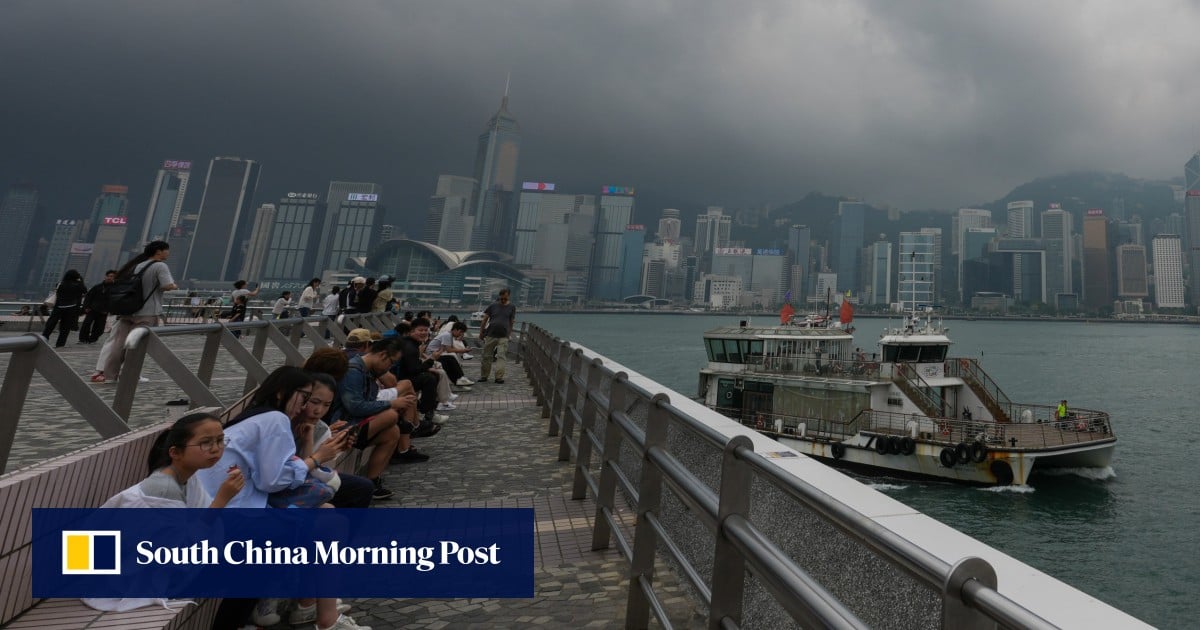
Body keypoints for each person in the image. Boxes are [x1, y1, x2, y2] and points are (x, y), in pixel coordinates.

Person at [81, 412, 245, 615]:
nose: (216, 449)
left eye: (220, 441)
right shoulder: (163, 489)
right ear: (175, 452)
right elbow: (180, 548)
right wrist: (222, 500)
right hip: (111, 577)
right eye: (205, 443)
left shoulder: (187, 477)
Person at [100, 241, 177, 383]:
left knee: (118, 344)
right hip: (147, 311)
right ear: (158, 252)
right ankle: (131, 374)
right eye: (166, 250)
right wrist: (174, 286)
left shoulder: (137, 265)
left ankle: (110, 376)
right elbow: (167, 285)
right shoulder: (160, 265)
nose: (168, 253)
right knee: (137, 345)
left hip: (129, 309)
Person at [478, 288, 516, 384]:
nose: (503, 300)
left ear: (508, 296)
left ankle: (498, 377)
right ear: (499, 296)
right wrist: (481, 332)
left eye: (505, 298)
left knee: (501, 356)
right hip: (491, 334)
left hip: (503, 336)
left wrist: (509, 333)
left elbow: (511, 322)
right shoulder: (493, 306)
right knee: (487, 355)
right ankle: (484, 376)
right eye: (501, 298)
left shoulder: (512, 307)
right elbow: (485, 319)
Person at [42, 269, 87, 348]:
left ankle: (44, 339)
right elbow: (84, 291)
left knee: (50, 325)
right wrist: (80, 280)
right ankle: (60, 344)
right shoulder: (78, 285)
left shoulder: (59, 284)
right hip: (71, 308)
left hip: (58, 307)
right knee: (65, 328)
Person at [428, 321, 473, 386]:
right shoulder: (447, 335)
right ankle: (459, 378)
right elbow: (449, 350)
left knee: (449, 359)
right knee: (450, 358)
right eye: (460, 332)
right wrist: (463, 351)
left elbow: (451, 347)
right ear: (455, 330)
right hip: (431, 355)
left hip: (436, 354)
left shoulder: (449, 335)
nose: (461, 334)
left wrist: (463, 350)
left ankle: (457, 380)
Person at [78, 269, 115, 344]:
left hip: (103, 311)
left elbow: (114, 301)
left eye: (112, 276)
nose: (110, 278)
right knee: (86, 324)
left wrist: (110, 310)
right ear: (105, 277)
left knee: (99, 328)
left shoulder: (115, 289)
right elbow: (88, 297)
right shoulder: (97, 287)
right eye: (108, 276)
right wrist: (86, 307)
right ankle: (83, 339)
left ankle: (92, 339)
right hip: (92, 309)